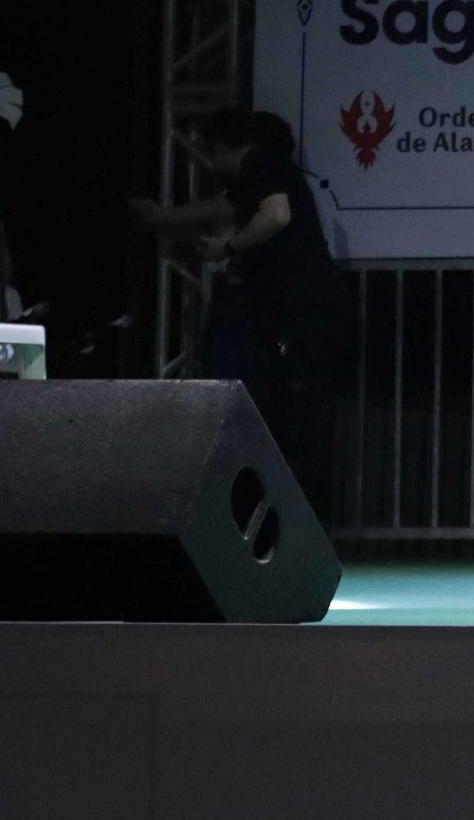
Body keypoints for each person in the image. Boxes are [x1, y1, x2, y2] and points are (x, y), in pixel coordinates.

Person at [132, 109, 353, 520]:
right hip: (303, 316)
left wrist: (229, 248)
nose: (213, 166)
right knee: (294, 424)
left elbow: (276, 215)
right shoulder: (270, 175)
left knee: (292, 424)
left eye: (213, 153)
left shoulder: (258, 162)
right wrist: (163, 218)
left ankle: (288, 524)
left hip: (299, 316)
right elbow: (224, 207)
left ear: (228, 146)